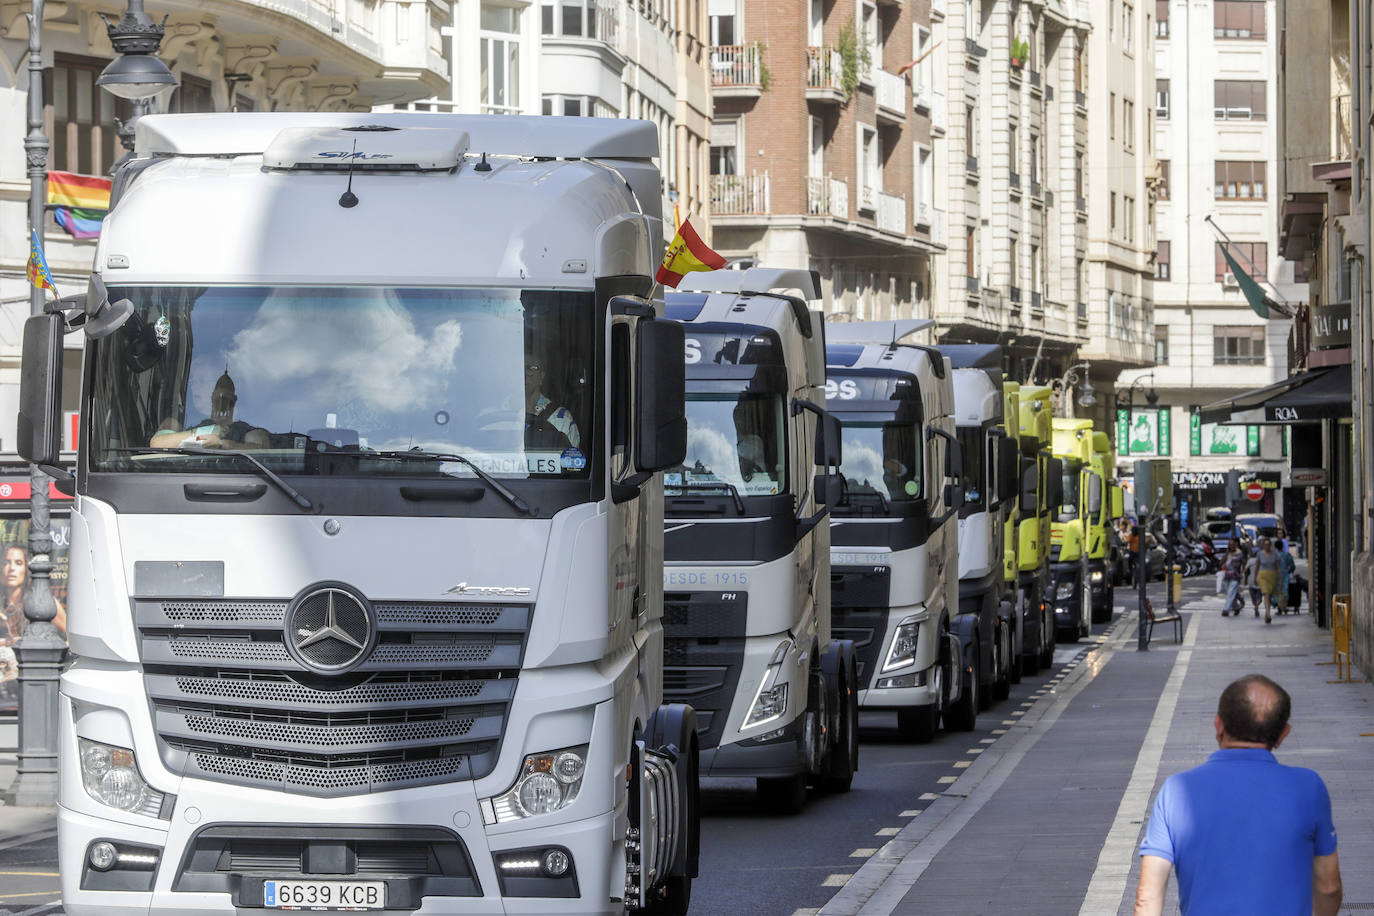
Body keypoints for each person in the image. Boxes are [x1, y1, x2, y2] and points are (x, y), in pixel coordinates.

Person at [1134, 674, 1342, 916]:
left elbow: (1146, 899)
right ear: (1283, 734)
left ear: (1218, 725)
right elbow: (1329, 887)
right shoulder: (1309, 787)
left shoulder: (1176, 790)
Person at [150, 369, 268, 449]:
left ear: (234, 400)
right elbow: (157, 443)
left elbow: (260, 450)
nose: (195, 387)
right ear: (212, 397)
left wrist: (221, 443)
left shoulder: (245, 431)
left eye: (201, 381)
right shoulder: (199, 427)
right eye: (194, 382)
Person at [1, 544, 66, 642]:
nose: (12, 568)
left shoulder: (43, 602)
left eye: (18, 563)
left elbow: (73, 641)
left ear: (26, 569)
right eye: (6, 562)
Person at [524, 357, 580, 450]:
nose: (524, 374)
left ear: (541, 376)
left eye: (530, 368)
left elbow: (572, 461)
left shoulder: (561, 418)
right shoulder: (498, 414)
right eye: (518, 368)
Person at [1256, 537, 1280, 623]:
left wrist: (1279, 577)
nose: (1267, 546)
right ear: (1263, 545)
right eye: (1265, 544)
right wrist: (1255, 577)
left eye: (1268, 544)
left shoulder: (1275, 554)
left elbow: (1277, 566)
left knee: (1269, 596)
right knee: (1266, 594)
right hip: (1262, 575)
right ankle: (1268, 614)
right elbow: (1257, 566)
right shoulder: (1259, 554)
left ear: (1270, 545)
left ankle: (1267, 613)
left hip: (1272, 575)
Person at [1220, 544, 1244, 616]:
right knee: (1230, 592)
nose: (1231, 547)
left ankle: (1226, 609)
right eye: (1230, 545)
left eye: (1233, 545)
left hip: (1235, 576)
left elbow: (1241, 564)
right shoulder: (1227, 554)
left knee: (1231, 593)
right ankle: (1236, 607)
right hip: (1227, 576)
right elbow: (1221, 563)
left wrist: (1242, 573)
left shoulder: (1239, 554)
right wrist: (1227, 554)